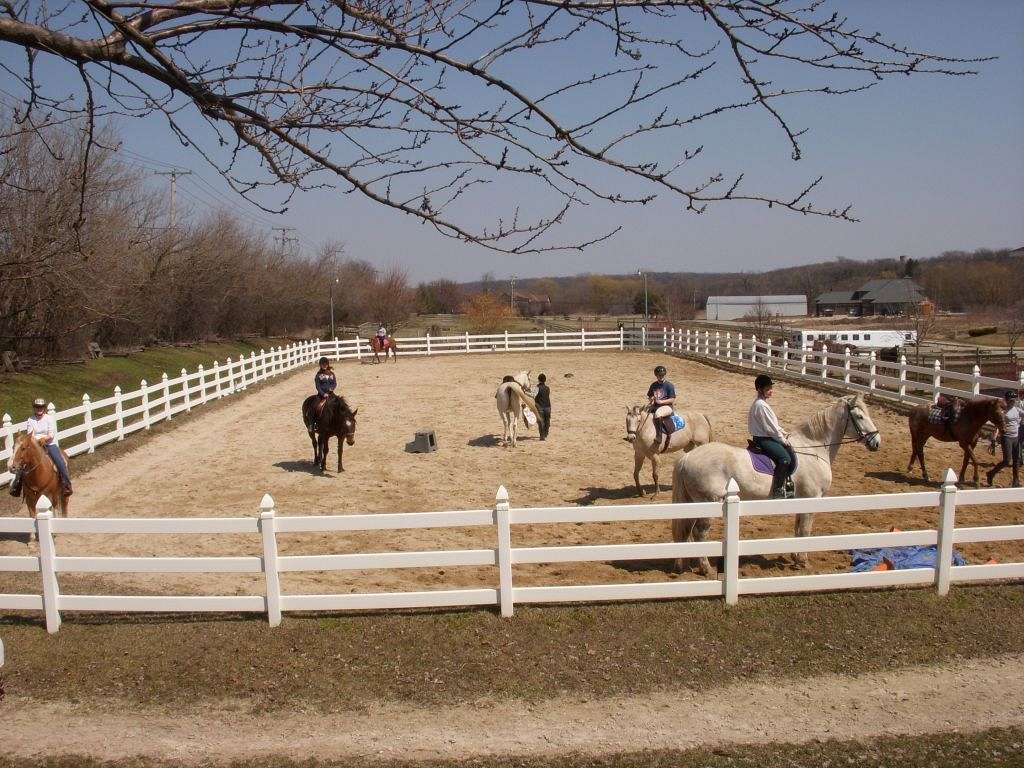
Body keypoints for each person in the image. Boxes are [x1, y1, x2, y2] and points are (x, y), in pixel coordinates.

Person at [748, 374, 796, 499]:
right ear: (760, 390)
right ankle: (778, 489)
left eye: (771, 388)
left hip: (765, 436)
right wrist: (782, 440)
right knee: (785, 459)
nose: (771, 391)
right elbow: (770, 429)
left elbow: (773, 425)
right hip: (764, 439)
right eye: (768, 389)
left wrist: (783, 432)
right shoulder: (761, 406)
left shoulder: (761, 403)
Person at [25, 397, 72, 495]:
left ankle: (66, 485)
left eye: (41, 407)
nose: (39, 409)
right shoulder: (30, 420)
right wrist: (36, 442)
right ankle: (17, 487)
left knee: (60, 463)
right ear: (34, 408)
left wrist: (43, 439)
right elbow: (30, 435)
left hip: (49, 444)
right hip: (34, 445)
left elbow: (51, 434)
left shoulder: (49, 418)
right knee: (22, 464)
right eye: (37, 407)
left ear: (44, 408)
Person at [987, 390, 1020, 488]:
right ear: (1006, 400)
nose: (1012, 402)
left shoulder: (1017, 410)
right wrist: (994, 437)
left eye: (1013, 400)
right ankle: (991, 473)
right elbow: (997, 425)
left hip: (1016, 437)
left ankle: (1016, 481)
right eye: (1010, 400)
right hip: (1006, 437)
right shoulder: (1003, 412)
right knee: (1007, 460)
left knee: (1016, 460)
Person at [646, 365, 677, 451]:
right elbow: (650, 395)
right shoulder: (653, 385)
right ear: (656, 376)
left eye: (662, 375)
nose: (661, 377)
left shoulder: (669, 385)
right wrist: (651, 399)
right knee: (643, 414)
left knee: (658, 414)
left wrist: (661, 402)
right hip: (655, 406)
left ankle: (659, 436)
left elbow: (672, 399)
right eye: (659, 375)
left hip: (667, 407)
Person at [535, 373, 551, 440]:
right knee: (547, 421)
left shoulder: (537, 388)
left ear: (538, 380)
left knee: (541, 421)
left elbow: (533, 395)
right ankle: (546, 433)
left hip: (540, 406)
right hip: (547, 406)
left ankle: (542, 436)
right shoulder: (547, 388)